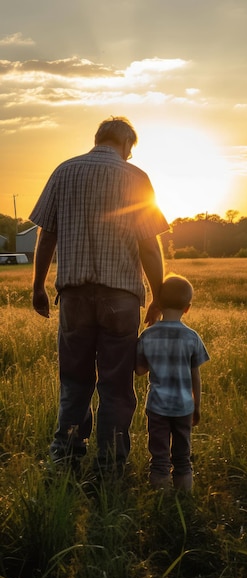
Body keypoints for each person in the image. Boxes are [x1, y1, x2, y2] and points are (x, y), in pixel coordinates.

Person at [29, 116, 169, 475]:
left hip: (73, 297)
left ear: (98, 139)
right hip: (121, 299)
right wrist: (158, 295)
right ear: (126, 144)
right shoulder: (135, 177)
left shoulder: (65, 171)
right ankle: (110, 466)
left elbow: (46, 236)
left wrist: (38, 286)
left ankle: (64, 460)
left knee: (74, 381)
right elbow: (149, 247)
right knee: (117, 385)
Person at [135, 274, 209, 491]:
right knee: (183, 458)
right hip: (184, 407)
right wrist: (196, 406)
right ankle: (183, 501)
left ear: (158, 303)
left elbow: (139, 371)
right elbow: (196, 376)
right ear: (188, 308)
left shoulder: (148, 336)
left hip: (157, 407)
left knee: (159, 460)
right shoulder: (192, 338)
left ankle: (161, 501)